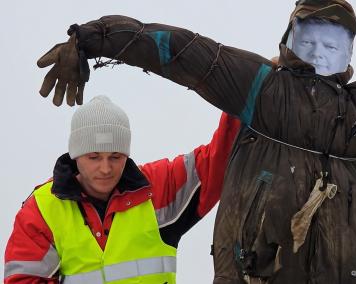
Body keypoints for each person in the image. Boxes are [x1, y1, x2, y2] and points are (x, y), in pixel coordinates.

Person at [34, 0, 356, 283]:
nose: (320, 51)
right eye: (309, 40)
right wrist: (94, 39)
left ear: (350, 52)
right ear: (290, 41)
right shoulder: (264, 90)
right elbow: (184, 53)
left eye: (333, 44)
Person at [4, 95, 240, 283]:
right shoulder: (43, 209)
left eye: (115, 156)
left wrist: (251, 90)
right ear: (75, 156)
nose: (105, 168)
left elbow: (218, 160)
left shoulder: (156, 190)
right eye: (94, 157)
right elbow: (22, 280)